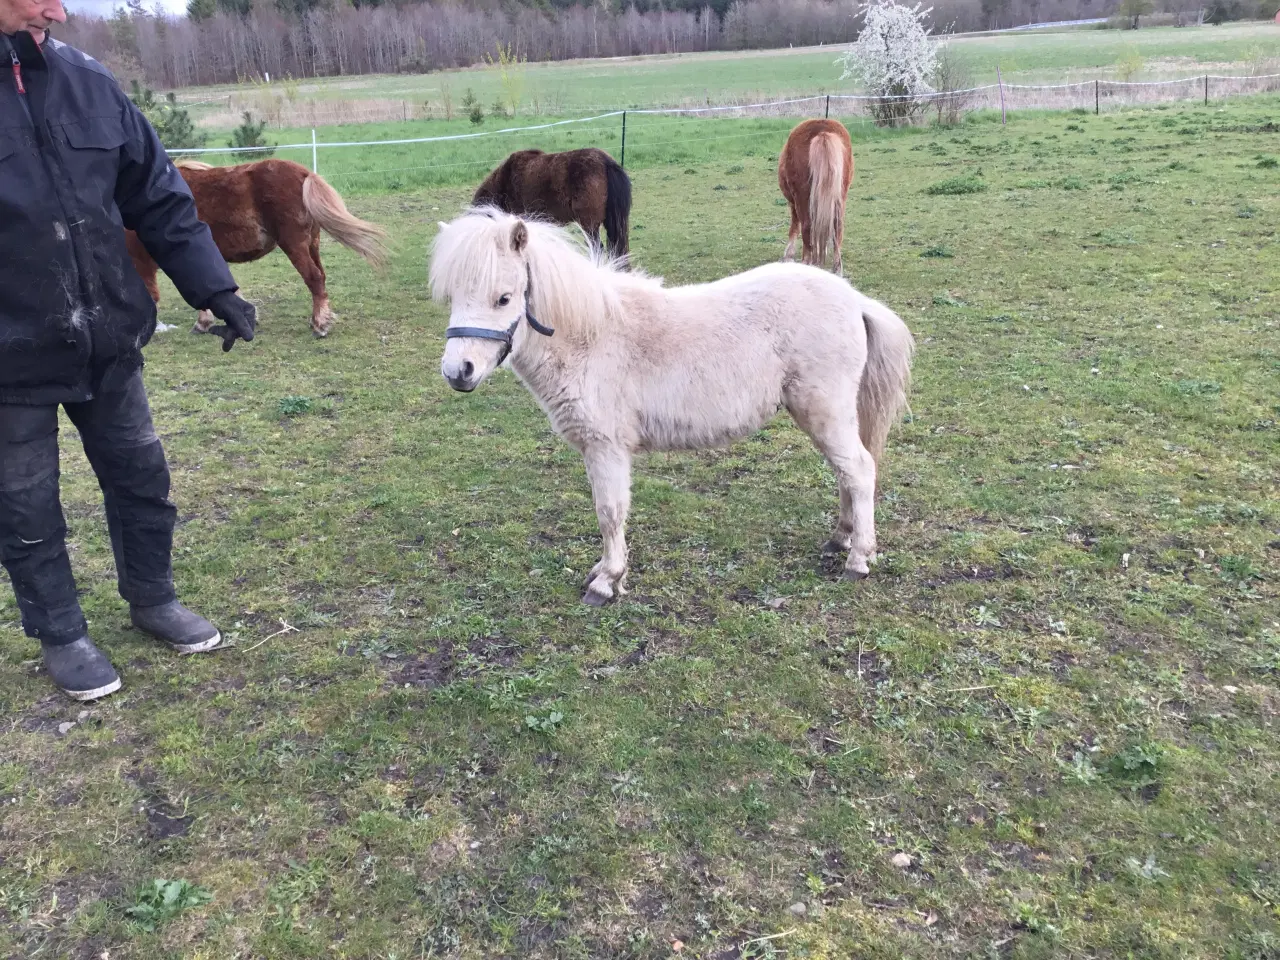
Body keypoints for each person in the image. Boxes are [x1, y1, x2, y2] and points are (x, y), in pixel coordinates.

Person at [1, 0, 258, 701]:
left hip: (108, 338)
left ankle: (152, 599)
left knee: (141, 477)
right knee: (25, 507)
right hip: (10, 358)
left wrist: (214, 287)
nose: (55, 9)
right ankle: (61, 634)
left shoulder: (88, 81)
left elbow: (159, 196)